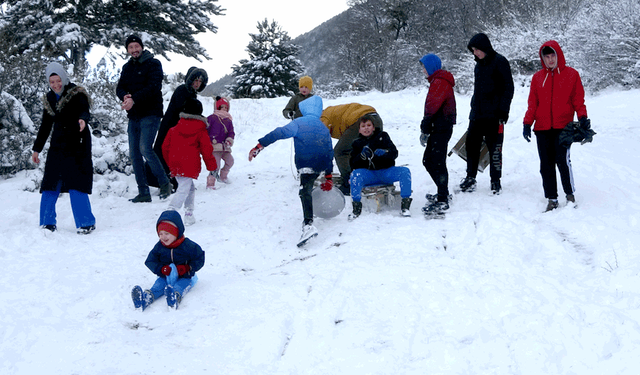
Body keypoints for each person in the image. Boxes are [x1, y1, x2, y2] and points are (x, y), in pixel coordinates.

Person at [248, 95, 334, 247]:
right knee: (308, 187)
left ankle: (308, 224)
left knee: (304, 191)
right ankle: (310, 217)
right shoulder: (323, 127)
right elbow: (329, 151)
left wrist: (259, 146)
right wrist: (328, 175)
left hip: (306, 163)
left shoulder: (298, 123)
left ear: (304, 109)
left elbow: (278, 133)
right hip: (321, 162)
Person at [523, 40, 590, 212]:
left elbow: (578, 100)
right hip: (542, 128)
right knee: (546, 165)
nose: (550, 60)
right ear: (542, 58)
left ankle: (569, 195)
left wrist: (583, 118)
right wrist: (527, 123)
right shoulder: (538, 78)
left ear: (558, 55)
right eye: (547, 57)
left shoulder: (571, 75)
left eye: (553, 56)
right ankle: (552, 198)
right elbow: (533, 104)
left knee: (562, 161)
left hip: (563, 127)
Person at [31, 62, 96, 234]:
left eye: (58, 80)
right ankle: (47, 222)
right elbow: (45, 126)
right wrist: (37, 149)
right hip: (58, 144)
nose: (55, 85)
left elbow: (84, 109)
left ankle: (86, 222)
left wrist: (83, 119)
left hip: (78, 142)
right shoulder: (50, 99)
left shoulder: (76, 93)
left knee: (77, 182)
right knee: (50, 182)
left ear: (63, 78)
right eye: (52, 82)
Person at [116, 34, 172, 203]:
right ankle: (143, 192)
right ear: (127, 50)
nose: (134, 50)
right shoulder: (127, 68)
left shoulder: (154, 64)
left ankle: (165, 183)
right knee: (134, 154)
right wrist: (125, 97)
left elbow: (153, 87)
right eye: (130, 47)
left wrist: (134, 99)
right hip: (134, 116)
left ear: (141, 46)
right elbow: (119, 87)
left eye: (136, 46)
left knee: (145, 148)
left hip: (151, 113)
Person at [460, 33, 514, 194]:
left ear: (485, 47)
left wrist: (504, 110)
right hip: (477, 114)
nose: (475, 53)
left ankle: (495, 181)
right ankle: (470, 178)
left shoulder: (500, 62)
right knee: (471, 146)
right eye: (473, 50)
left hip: (495, 115)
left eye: (477, 49)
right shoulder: (478, 65)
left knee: (495, 149)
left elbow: (508, 88)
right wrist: (473, 105)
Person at [131, 210, 205, 310]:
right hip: (165, 276)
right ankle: (146, 298)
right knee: (158, 286)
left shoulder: (188, 246)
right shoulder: (159, 247)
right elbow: (150, 261)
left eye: (167, 233)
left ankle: (174, 298)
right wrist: (161, 269)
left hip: (184, 276)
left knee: (180, 286)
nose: (163, 237)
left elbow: (200, 257)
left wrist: (188, 267)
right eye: (160, 234)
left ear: (176, 232)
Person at [162, 98, 217, 225]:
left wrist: (169, 163)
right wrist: (212, 166)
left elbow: (164, 147)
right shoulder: (201, 130)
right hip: (189, 165)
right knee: (183, 190)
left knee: (190, 189)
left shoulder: (174, 129)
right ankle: (171, 213)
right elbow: (206, 149)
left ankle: (189, 213)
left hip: (175, 164)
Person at [154, 66, 208, 191]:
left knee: (172, 155)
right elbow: (183, 111)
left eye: (200, 81)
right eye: (195, 80)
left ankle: (171, 182)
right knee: (166, 154)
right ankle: (166, 183)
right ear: (189, 79)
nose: (197, 84)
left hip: (176, 129)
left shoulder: (190, 93)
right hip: (171, 127)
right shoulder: (182, 90)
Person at [348, 115, 413, 219]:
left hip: (386, 172)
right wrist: (361, 156)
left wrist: (385, 152)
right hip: (369, 175)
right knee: (355, 175)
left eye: (369, 125)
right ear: (359, 130)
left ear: (373, 127)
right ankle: (356, 208)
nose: (366, 128)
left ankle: (405, 206)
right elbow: (353, 164)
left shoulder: (383, 136)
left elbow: (394, 153)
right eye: (363, 126)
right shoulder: (356, 143)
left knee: (405, 171)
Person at [418, 54, 457, 216]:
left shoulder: (439, 82)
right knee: (430, 161)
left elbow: (432, 107)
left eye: (424, 67)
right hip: (439, 127)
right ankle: (443, 192)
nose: (423, 70)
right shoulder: (437, 81)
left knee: (436, 162)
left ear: (432, 66)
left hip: (440, 127)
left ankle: (442, 199)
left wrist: (425, 127)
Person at [320, 103, 383, 195]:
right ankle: (377, 178)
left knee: (340, 151)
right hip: (375, 118)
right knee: (368, 150)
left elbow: (321, 134)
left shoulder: (323, 116)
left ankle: (349, 184)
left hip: (361, 120)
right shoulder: (331, 112)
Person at [206, 96, 235, 189]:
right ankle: (210, 184)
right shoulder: (211, 118)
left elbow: (231, 132)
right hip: (214, 146)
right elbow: (205, 130)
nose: (224, 109)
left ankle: (223, 176)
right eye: (222, 107)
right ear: (217, 107)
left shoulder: (228, 120)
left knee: (230, 161)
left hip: (225, 147)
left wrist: (229, 140)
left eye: (226, 107)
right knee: (215, 165)